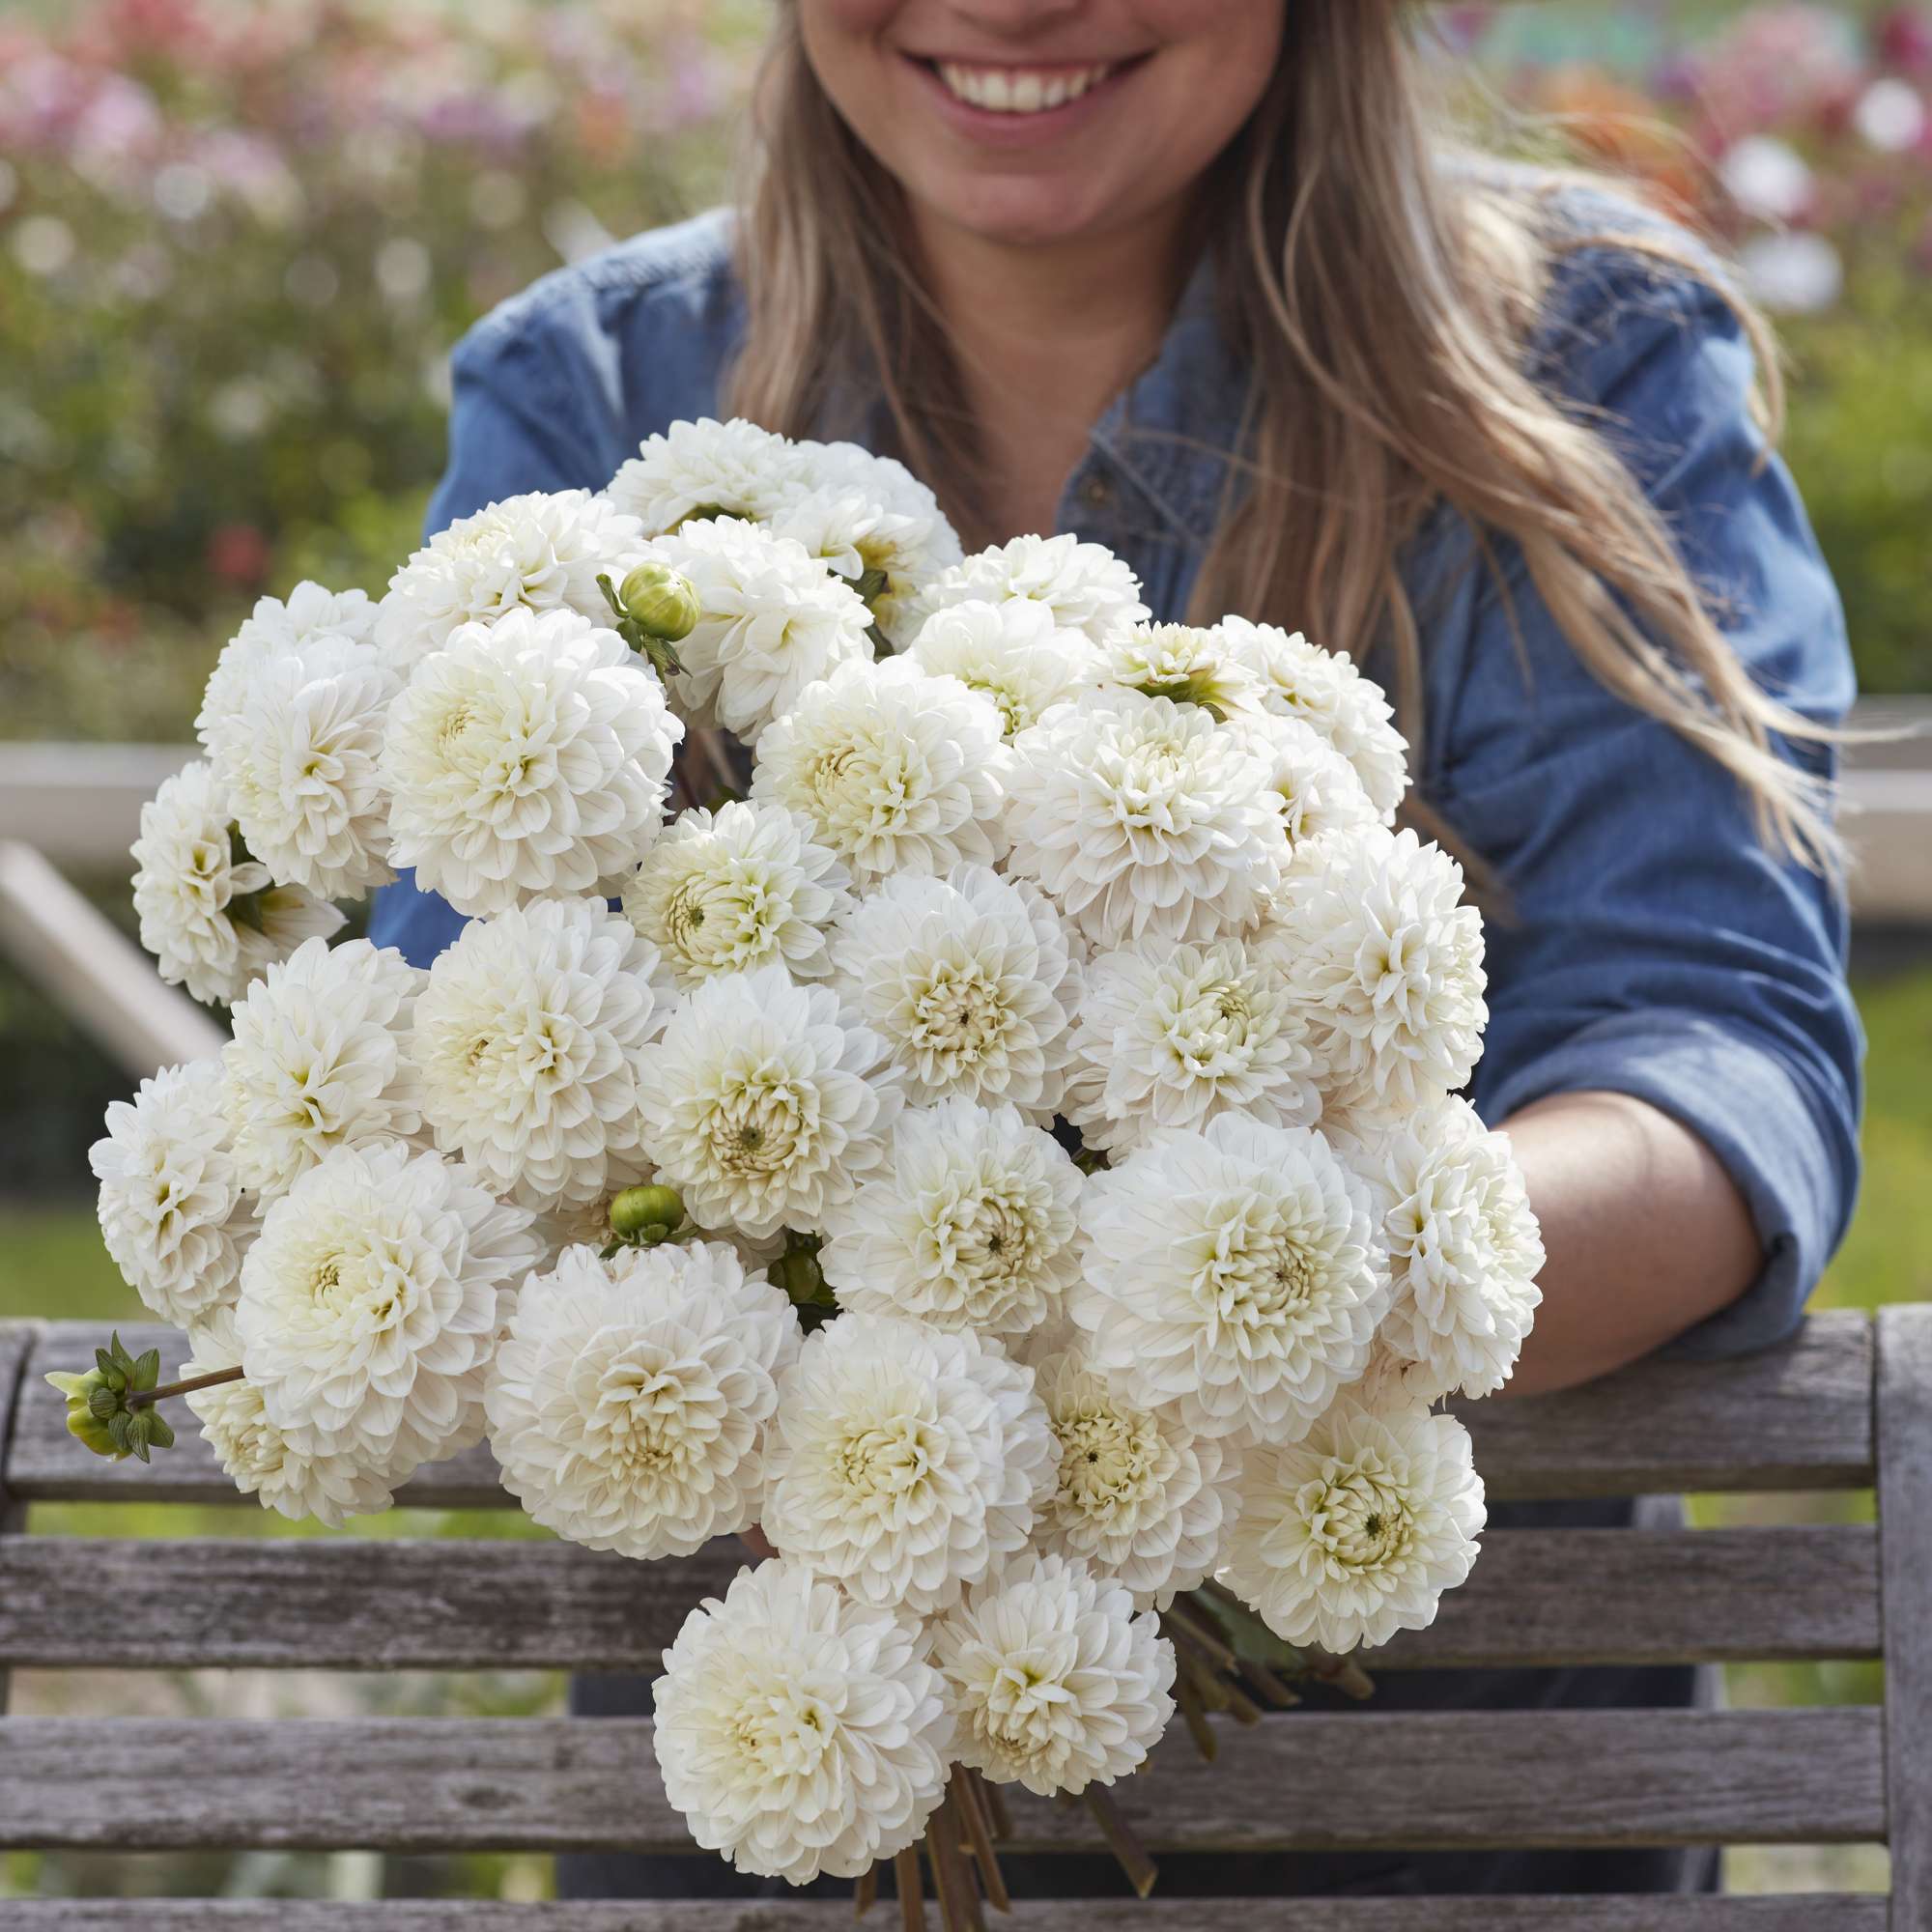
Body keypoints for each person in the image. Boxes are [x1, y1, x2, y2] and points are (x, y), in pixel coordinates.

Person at [369, 0, 1863, 1902]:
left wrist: (1224, 1298)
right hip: (789, 1785)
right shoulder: (595, 396)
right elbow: (457, 1110)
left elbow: (1715, 1071)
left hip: (1444, 1786)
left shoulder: (1583, 365)